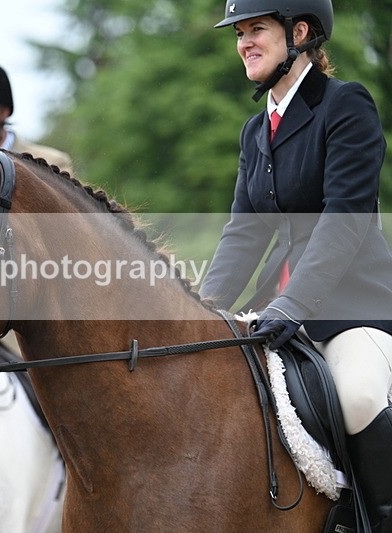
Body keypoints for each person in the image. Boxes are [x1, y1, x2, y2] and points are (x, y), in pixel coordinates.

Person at [200, 1, 392, 530]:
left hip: (354, 307)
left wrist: (292, 304)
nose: (244, 43)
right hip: (279, 309)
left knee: (357, 397)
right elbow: (243, 234)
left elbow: (344, 220)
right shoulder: (254, 132)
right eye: (239, 33)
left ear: (299, 32)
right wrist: (201, 308)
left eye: (256, 29)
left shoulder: (346, 105)